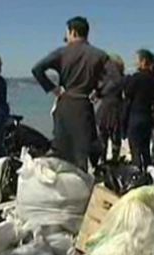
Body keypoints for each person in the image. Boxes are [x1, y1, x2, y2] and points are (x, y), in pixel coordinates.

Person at [32, 16, 109, 171]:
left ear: (73, 32)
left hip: (65, 103)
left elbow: (37, 69)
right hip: (83, 104)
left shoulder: (62, 52)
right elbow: (115, 79)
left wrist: (53, 88)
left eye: (67, 32)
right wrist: (99, 92)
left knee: (62, 149)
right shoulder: (99, 55)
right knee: (83, 150)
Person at [123, 50, 154, 170]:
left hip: (135, 115)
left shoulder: (136, 78)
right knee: (145, 149)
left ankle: (137, 172)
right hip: (147, 116)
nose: (135, 63)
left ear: (143, 61)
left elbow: (128, 93)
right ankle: (148, 171)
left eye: (137, 60)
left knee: (135, 149)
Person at [96, 55, 125, 163]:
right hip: (116, 107)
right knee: (115, 135)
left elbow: (99, 92)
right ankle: (114, 158)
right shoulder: (121, 78)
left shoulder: (104, 78)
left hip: (106, 107)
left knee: (103, 134)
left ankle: (103, 158)